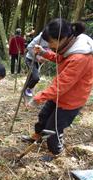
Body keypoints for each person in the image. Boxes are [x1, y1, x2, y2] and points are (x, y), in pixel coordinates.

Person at [27, 19, 93, 161]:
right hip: (59, 95)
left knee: (53, 129)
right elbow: (61, 58)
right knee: (44, 116)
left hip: (71, 100)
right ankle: (37, 136)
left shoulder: (80, 57)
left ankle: (56, 152)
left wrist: (38, 97)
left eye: (51, 43)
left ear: (62, 38)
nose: (50, 46)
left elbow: (61, 85)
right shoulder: (70, 44)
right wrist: (45, 53)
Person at [24, 32, 49, 97]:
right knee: (36, 78)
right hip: (30, 59)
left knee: (31, 77)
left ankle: (25, 91)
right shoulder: (39, 38)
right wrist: (37, 57)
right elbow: (29, 47)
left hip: (38, 61)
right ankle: (28, 89)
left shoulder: (54, 39)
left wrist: (46, 58)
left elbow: (48, 50)